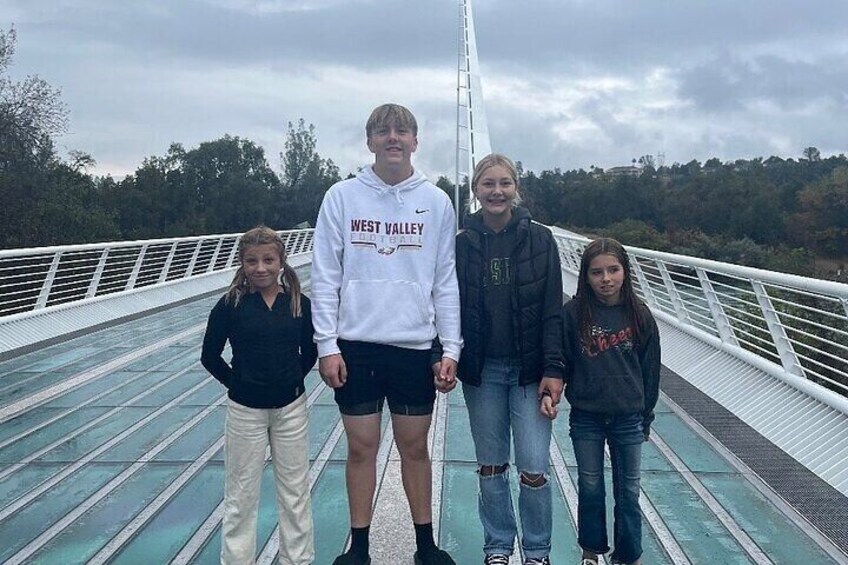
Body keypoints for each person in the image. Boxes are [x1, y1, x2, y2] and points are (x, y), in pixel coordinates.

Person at [311, 103, 462, 565]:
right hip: (356, 346)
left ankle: (425, 546)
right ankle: (359, 548)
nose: (392, 138)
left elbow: (445, 280)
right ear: (370, 141)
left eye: (401, 131)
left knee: (415, 449)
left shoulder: (436, 202)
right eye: (383, 131)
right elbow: (324, 275)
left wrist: (451, 347)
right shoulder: (341, 197)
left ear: (415, 141)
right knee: (361, 449)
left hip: (413, 347)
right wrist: (327, 345)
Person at [453, 153, 564, 565]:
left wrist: (554, 368)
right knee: (491, 465)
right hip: (482, 371)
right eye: (488, 184)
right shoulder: (461, 243)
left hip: (529, 372)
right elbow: (446, 304)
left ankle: (536, 551)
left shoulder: (541, 240)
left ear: (516, 188)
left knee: (533, 467)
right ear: (475, 190)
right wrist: (443, 355)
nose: (496, 191)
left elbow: (552, 310)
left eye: (504, 183)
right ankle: (498, 546)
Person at [201, 226, 318, 565]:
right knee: (241, 494)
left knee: (295, 491)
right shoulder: (230, 305)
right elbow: (210, 356)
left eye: (268, 260)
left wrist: (292, 379)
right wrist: (238, 383)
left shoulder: (298, 303)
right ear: (242, 263)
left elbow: (310, 351)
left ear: (281, 261)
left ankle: (297, 560)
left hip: (290, 409)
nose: (261, 268)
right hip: (245, 411)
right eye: (252, 261)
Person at [562, 238, 661, 565]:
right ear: (586, 276)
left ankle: (628, 556)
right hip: (586, 415)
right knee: (590, 486)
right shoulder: (574, 314)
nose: (606, 279)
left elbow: (650, 371)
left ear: (625, 272)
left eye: (613, 270)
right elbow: (562, 359)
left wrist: (646, 417)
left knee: (628, 491)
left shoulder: (640, 315)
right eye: (597, 272)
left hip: (628, 417)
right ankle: (590, 552)